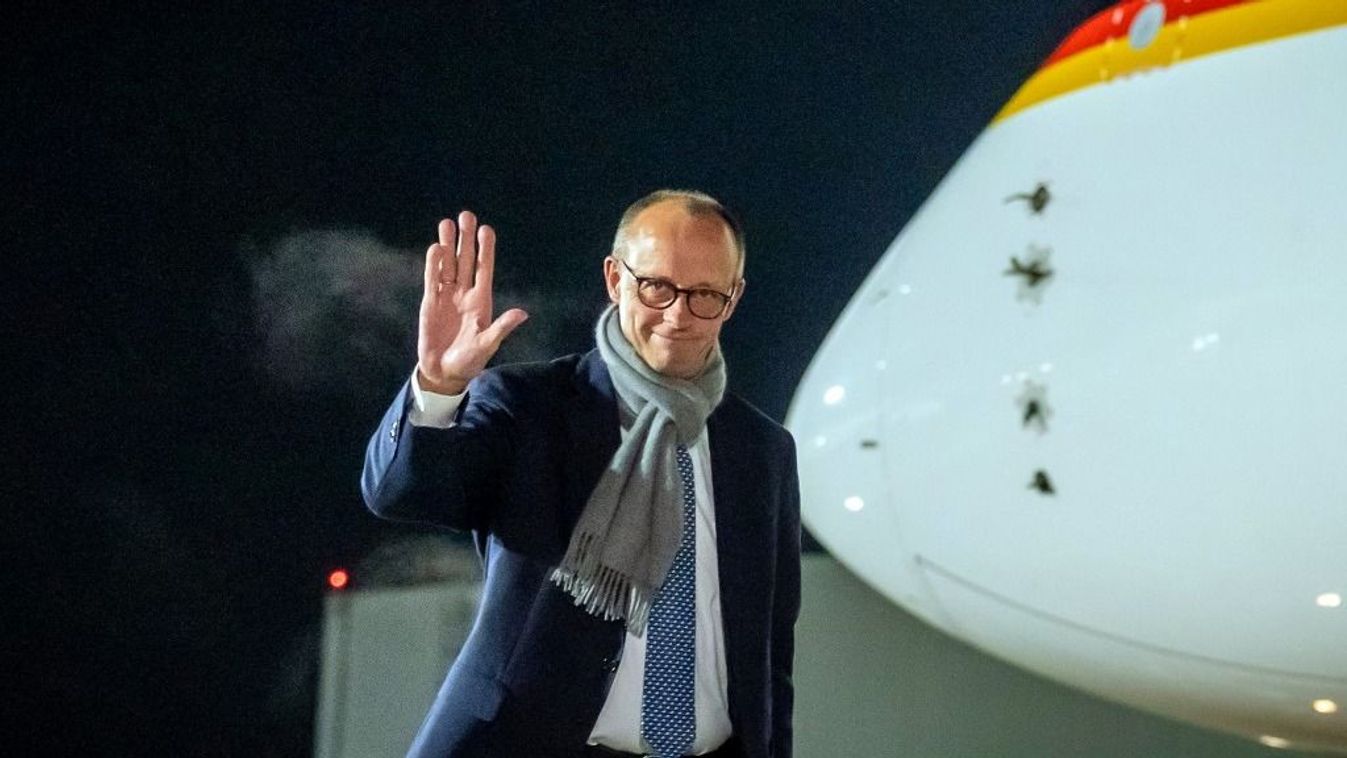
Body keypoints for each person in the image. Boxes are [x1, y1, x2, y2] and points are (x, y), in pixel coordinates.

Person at [361, 190, 801, 758]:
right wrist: (439, 387)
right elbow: (401, 493)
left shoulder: (763, 450)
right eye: (657, 287)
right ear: (615, 279)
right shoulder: (530, 406)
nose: (678, 315)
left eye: (705, 295)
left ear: (733, 298)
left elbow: (771, 656)